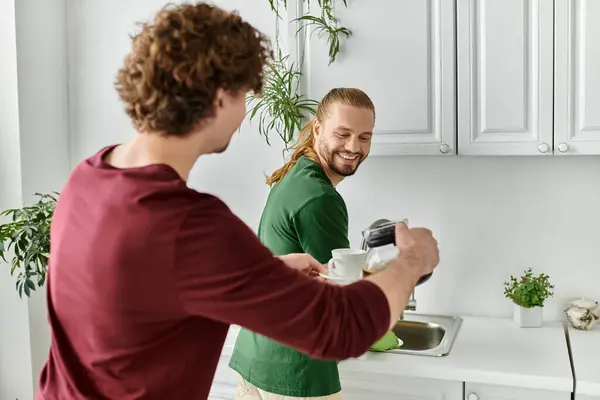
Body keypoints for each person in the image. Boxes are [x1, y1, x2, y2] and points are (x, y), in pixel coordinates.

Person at [35, 3, 440, 400]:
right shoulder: (191, 225)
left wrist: (266, 272)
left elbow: (142, 289)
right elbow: (340, 327)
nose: (245, 110)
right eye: (244, 93)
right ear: (218, 97)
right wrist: (411, 261)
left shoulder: (88, 177)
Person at [229, 87, 376, 400]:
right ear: (318, 129)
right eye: (343, 133)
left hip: (257, 357)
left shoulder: (297, 172)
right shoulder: (321, 198)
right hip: (294, 372)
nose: (354, 146)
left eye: (364, 137)